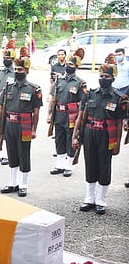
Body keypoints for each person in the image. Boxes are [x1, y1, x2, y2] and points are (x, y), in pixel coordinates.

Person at [72, 61, 126, 215]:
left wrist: (117, 144)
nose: (103, 78)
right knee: (90, 163)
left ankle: (101, 200)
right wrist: (75, 136)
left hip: (106, 136)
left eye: (107, 76)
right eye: (101, 75)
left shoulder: (119, 98)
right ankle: (89, 198)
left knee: (104, 166)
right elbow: (80, 117)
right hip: (89, 133)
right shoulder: (89, 94)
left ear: (113, 79)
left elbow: (119, 122)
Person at [0, 47, 43, 197]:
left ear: (27, 71)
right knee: (12, 153)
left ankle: (23, 184)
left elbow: (36, 111)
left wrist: (34, 129)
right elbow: (1, 108)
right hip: (10, 124)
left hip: (25, 125)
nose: (17, 71)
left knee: (24, 154)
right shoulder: (8, 87)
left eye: (20, 69)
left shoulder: (33, 89)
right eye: (16, 69)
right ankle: (13, 182)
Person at [48, 48, 86, 177]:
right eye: (68, 64)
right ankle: (60, 165)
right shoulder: (60, 80)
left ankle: (69, 165)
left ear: (76, 67)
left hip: (72, 115)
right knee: (59, 139)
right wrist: (49, 114)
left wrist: (79, 120)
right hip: (59, 114)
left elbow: (82, 103)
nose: (69, 66)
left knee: (70, 138)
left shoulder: (80, 83)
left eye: (72, 65)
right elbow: (53, 98)